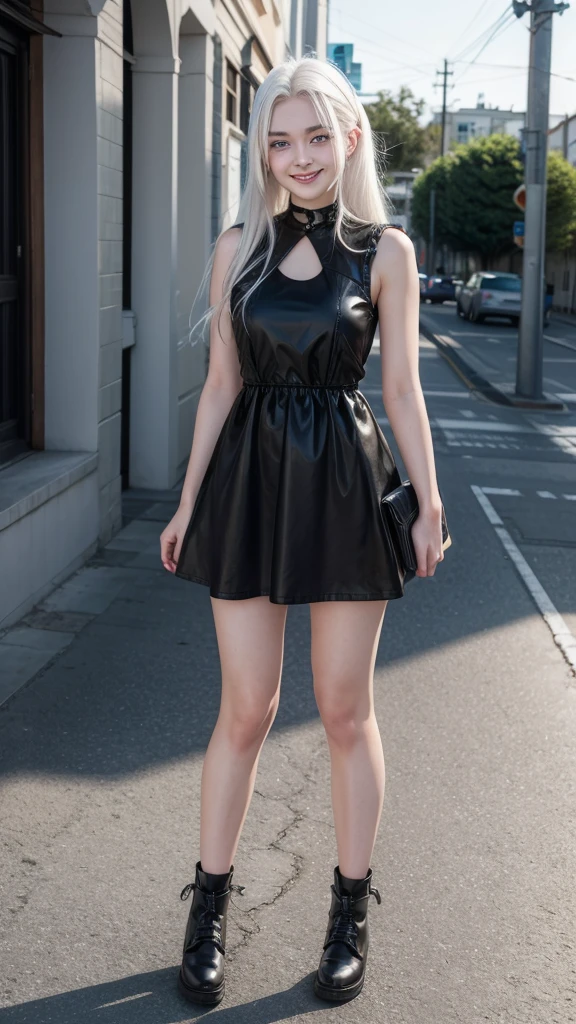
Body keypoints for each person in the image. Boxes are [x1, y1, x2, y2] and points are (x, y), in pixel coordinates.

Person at [160, 54, 444, 1007]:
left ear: (349, 136)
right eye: (280, 142)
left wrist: (431, 503)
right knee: (245, 707)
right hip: (249, 481)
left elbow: (400, 387)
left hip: (346, 482)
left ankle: (350, 909)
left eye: (316, 136)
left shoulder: (387, 251)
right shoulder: (237, 244)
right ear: (265, 151)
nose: (300, 157)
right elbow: (221, 388)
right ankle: (207, 909)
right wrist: (188, 499)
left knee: (341, 708)